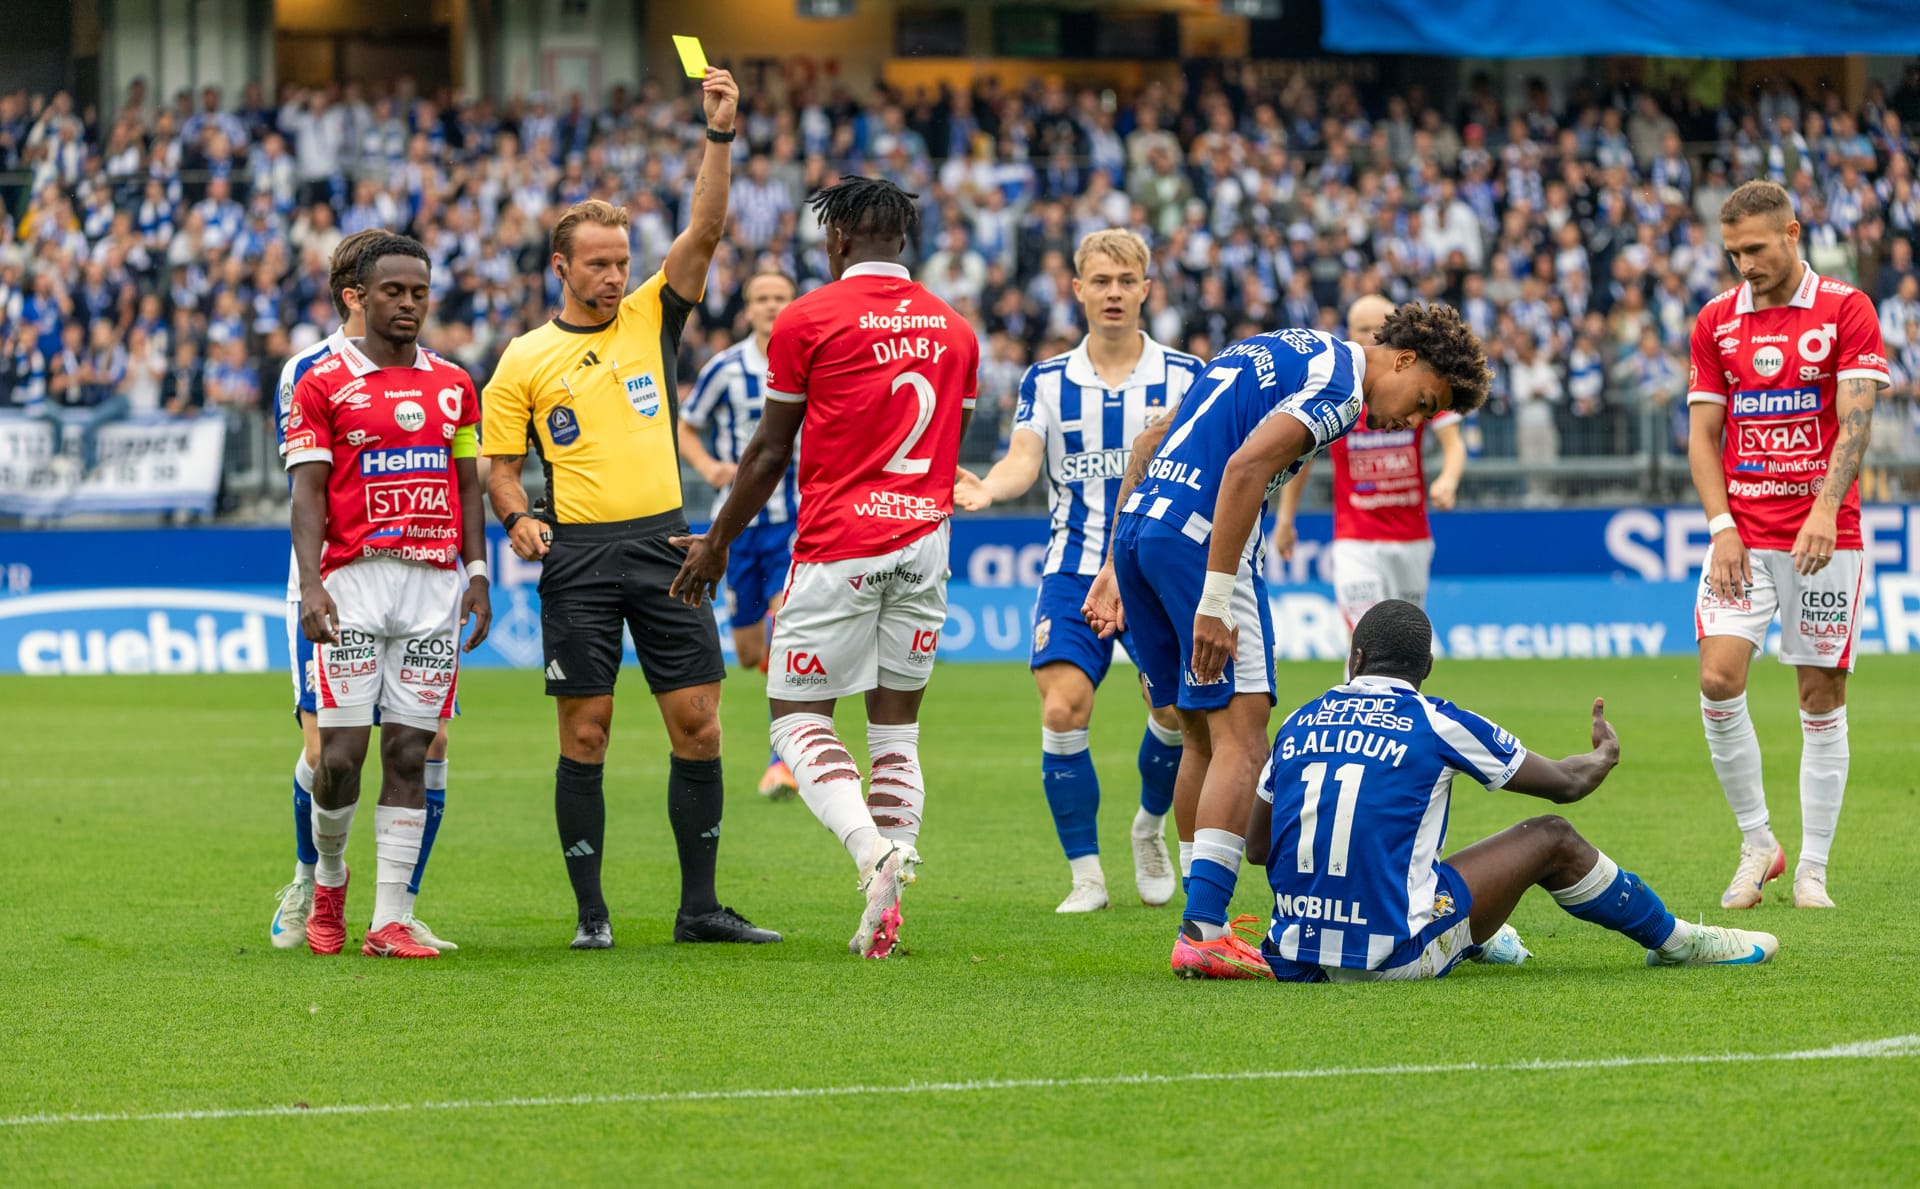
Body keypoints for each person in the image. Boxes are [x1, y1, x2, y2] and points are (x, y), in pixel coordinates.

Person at [1084, 304, 1490, 978]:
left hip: (1141, 527)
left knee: (1200, 737)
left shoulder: (1279, 346)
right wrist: (1215, 599)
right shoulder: (1343, 386)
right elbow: (1244, 470)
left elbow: (1152, 441)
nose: (1410, 422)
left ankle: (1201, 917)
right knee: (1244, 740)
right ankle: (1205, 929)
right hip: (1202, 541)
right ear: (1401, 360)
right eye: (1423, 402)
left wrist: (1112, 565)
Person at [482, 68, 780, 951]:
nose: (615, 276)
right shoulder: (523, 359)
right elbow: (501, 469)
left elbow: (709, 228)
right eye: (600, 264)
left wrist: (718, 135)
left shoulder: (653, 315)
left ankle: (700, 908)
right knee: (588, 730)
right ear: (562, 268)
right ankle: (591, 914)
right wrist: (516, 518)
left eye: (622, 261)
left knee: (698, 724)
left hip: (668, 549)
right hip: (578, 559)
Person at [670, 176, 980, 959]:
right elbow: (950, 445)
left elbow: (771, 449)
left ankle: (871, 850)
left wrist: (717, 540)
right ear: (903, 240)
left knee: (796, 716)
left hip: (843, 544)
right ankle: (890, 911)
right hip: (927, 544)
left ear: (836, 239)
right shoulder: (955, 330)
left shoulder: (808, 318)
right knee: (896, 729)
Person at [1245, 600, 1778, 981]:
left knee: (1405, 855)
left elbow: (1259, 848)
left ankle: (1474, 935)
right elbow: (1568, 785)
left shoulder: (1299, 720)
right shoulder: (1436, 721)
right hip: (1392, 960)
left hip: (1293, 959)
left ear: (1355, 659)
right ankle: (1679, 942)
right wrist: (1604, 755)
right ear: (1426, 668)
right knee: (1550, 838)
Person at [952, 229, 1202, 913]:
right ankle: (1086, 874)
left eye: (1127, 280)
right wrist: (991, 489)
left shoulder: (1185, 376)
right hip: (1072, 568)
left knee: (1176, 712)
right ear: (1078, 289)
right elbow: (1024, 457)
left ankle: (1149, 826)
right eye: (1102, 280)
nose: (1114, 292)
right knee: (1063, 708)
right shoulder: (1048, 379)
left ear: (1147, 288)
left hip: (1153, 568)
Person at [283, 234, 491, 959]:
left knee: (411, 749)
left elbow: (467, 485)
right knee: (341, 754)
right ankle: (330, 879)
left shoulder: (455, 385)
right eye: (393, 292)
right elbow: (306, 493)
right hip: (353, 581)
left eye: (418, 293)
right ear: (359, 298)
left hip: (434, 582)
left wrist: (478, 572)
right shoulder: (320, 381)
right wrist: (311, 583)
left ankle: (389, 918)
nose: (408, 304)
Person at [1686, 179, 1887, 911]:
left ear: (1793, 233)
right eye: (1733, 252)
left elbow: (1855, 418)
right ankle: (1756, 842)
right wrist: (1721, 527)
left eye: (1758, 249)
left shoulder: (1845, 309)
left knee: (1820, 697)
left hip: (1824, 537)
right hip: (1742, 535)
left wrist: (1826, 507)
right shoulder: (1714, 321)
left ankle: (1813, 868)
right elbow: (1703, 437)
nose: (1745, 264)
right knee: (1717, 679)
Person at [677, 269, 802, 801]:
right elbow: (687, 426)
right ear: (747, 309)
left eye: (781, 297)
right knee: (752, 651)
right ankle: (795, 705)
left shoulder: (809, 361)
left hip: (793, 523)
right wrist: (707, 467)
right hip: (737, 530)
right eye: (762, 298)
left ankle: (786, 758)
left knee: (785, 627)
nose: (772, 306)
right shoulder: (726, 370)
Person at [1273, 294, 1468, 626]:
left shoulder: (1417, 385)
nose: (1370, 337)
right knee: (1366, 631)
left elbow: (1454, 445)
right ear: (1348, 331)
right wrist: (1285, 519)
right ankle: (1360, 679)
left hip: (1411, 537)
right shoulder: (1335, 388)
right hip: (1355, 537)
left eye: (1377, 329)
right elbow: (1305, 458)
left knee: (1404, 639)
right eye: (1362, 328)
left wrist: (1448, 481)